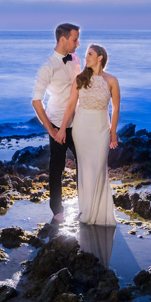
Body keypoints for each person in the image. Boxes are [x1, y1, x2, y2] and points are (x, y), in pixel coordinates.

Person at [55, 44, 120, 226]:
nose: (86, 58)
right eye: (86, 55)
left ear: (100, 57)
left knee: (99, 167)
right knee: (85, 169)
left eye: (90, 54)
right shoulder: (80, 79)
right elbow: (70, 106)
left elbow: (115, 109)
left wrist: (113, 132)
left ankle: (98, 212)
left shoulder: (111, 81)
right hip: (81, 128)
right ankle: (87, 210)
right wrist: (61, 129)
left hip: (101, 129)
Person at [31, 23, 81, 223]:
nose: (78, 43)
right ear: (63, 39)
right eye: (75, 39)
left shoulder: (76, 59)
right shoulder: (47, 67)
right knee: (57, 168)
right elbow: (36, 101)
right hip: (58, 126)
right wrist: (51, 129)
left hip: (79, 123)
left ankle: (85, 205)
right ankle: (58, 212)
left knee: (84, 166)